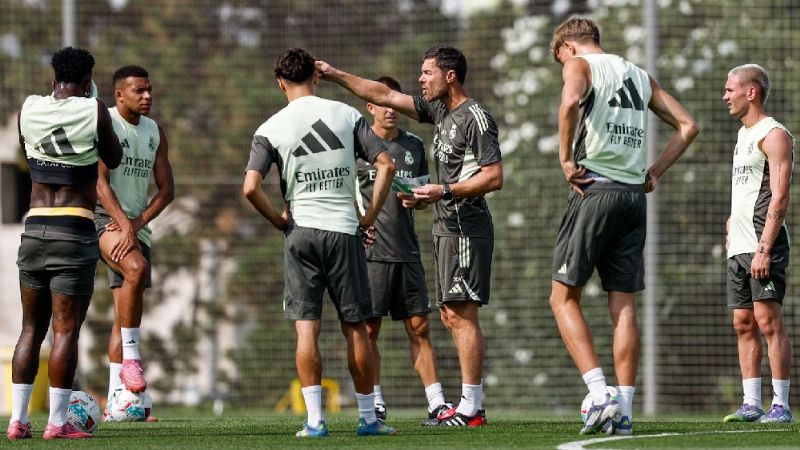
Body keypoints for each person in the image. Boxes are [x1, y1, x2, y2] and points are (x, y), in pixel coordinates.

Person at [317, 45, 503, 427]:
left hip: (466, 226)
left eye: (427, 73)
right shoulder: (440, 112)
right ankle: (464, 404)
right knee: (451, 315)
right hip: (445, 226)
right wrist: (335, 74)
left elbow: (494, 176)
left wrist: (443, 191)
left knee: (461, 315)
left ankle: (471, 407)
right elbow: (382, 94)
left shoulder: (476, 117)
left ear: (449, 76)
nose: (420, 79)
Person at [547, 17, 698, 435]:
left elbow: (570, 104)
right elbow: (688, 125)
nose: (562, 67)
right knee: (624, 305)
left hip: (596, 190)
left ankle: (599, 394)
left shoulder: (580, 66)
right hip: (633, 197)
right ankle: (625, 411)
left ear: (570, 47)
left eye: (559, 59)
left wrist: (564, 159)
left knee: (562, 299)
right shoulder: (638, 74)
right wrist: (655, 173)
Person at [242, 48, 397, 437]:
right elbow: (386, 165)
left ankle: (314, 421)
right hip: (344, 231)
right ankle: (367, 420)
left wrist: (280, 219)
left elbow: (250, 188)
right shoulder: (345, 115)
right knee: (356, 328)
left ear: (280, 83)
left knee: (306, 330)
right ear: (316, 76)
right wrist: (368, 217)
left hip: (301, 232)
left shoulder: (270, 127)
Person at [7, 46, 122, 440]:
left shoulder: (29, 108)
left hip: (34, 227)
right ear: (88, 83)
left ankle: (17, 421)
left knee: (29, 330)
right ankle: (57, 424)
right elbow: (114, 156)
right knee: (65, 330)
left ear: (52, 79)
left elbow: (27, 153)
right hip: (73, 230)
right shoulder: (95, 109)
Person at [356, 76, 450, 422]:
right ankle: (375, 402)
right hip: (370, 254)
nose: (390, 110)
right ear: (370, 107)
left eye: (394, 103)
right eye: (382, 104)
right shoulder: (357, 146)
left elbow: (422, 198)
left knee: (420, 327)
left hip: (407, 252)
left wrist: (418, 200)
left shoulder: (413, 145)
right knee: (369, 330)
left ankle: (437, 403)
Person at [95, 65, 174, 419]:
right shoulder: (106, 123)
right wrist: (123, 223)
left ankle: (119, 402)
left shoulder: (155, 131)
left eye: (150, 90)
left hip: (134, 227)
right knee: (136, 267)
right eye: (139, 91)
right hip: (104, 219)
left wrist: (137, 222)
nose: (147, 96)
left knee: (124, 315)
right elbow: (99, 181)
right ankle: (132, 363)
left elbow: (167, 189)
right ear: (119, 94)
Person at [722, 64, 794, 424]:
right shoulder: (742, 135)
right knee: (742, 322)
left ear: (751, 92)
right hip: (739, 244)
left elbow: (779, 197)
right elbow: (747, 189)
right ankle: (751, 403)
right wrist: (730, 226)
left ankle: (780, 405)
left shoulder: (775, 134)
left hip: (764, 244)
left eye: (730, 89)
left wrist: (765, 246)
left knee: (768, 320)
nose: (725, 96)